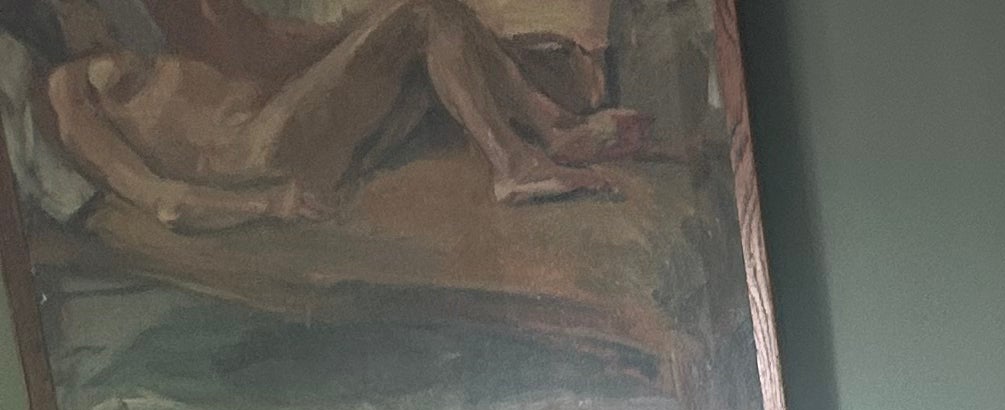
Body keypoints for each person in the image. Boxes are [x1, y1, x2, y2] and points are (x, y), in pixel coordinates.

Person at [41, 0, 646, 234]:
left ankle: (550, 128)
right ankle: (520, 160)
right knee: (424, 15)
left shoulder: (156, 45)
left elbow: (281, 54)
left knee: (433, 32)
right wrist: (268, 204)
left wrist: (363, 29)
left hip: (285, 129)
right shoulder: (70, 89)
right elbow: (165, 202)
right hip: (264, 158)